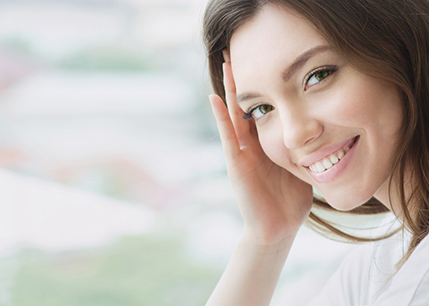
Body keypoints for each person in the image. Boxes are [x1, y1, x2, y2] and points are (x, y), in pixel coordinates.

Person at [202, 0, 429, 305]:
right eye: (262, 109)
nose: (294, 135)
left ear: (398, 43)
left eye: (317, 76)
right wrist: (266, 238)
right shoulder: (381, 264)